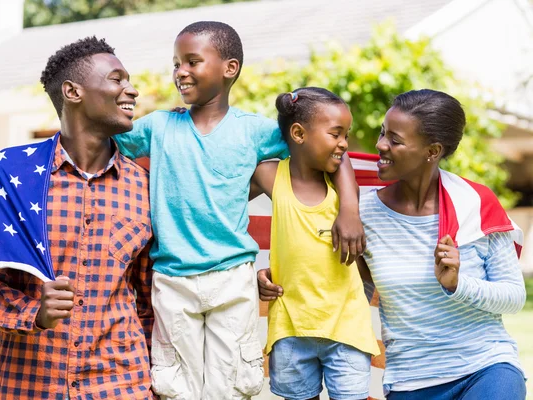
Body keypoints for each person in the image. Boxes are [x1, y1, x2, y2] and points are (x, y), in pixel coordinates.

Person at [114, 21, 364, 399]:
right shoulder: (158, 126)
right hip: (171, 279)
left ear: (229, 68)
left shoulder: (256, 131)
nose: (180, 71)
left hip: (233, 278)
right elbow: (102, 136)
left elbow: (329, 147)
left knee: (231, 388)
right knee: (174, 387)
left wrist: (349, 210)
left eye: (192, 61)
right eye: (176, 63)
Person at [259, 89, 527, 400]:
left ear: (432, 150)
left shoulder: (474, 203)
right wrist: (280, 276)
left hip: (485, 367)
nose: (380, 145)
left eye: (395, 140)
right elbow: (351, 284)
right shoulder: (359, 213)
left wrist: (458, 284)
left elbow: (514, 296)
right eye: (383, 133)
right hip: (411, 381)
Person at [0, 37, 155, 400]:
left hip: (121, 387)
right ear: (72, 91)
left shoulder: (145, 186)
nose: (132, 90)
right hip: (29, 387)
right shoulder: (13, 173)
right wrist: (34, 312)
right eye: (117, 79)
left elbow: (149, 299)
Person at [250, 87, 379, 400]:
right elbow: (222, 212)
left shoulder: (340, 183)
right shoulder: (269, 176)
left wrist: (349, 208)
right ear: (298, 133)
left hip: (346, 326)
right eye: (336, 134)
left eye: (346, 135)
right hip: (292, 327)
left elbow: (343, 159)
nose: (344, 144)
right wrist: (254, 274)